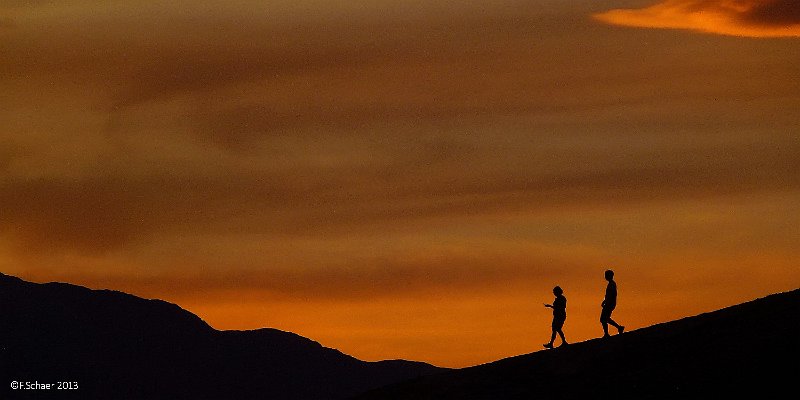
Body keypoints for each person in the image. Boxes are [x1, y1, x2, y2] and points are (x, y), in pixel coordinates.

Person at [600, 269, 625, 337]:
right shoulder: (611, 284)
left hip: (610, 304)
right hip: (609, 303)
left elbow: (611, 295)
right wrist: (604, 301)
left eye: (606, 275)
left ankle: (607, 333)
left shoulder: (612, 284)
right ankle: (618, 328)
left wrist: (606, 302)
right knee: (605, 318)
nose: (605, 277)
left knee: (603, 319)